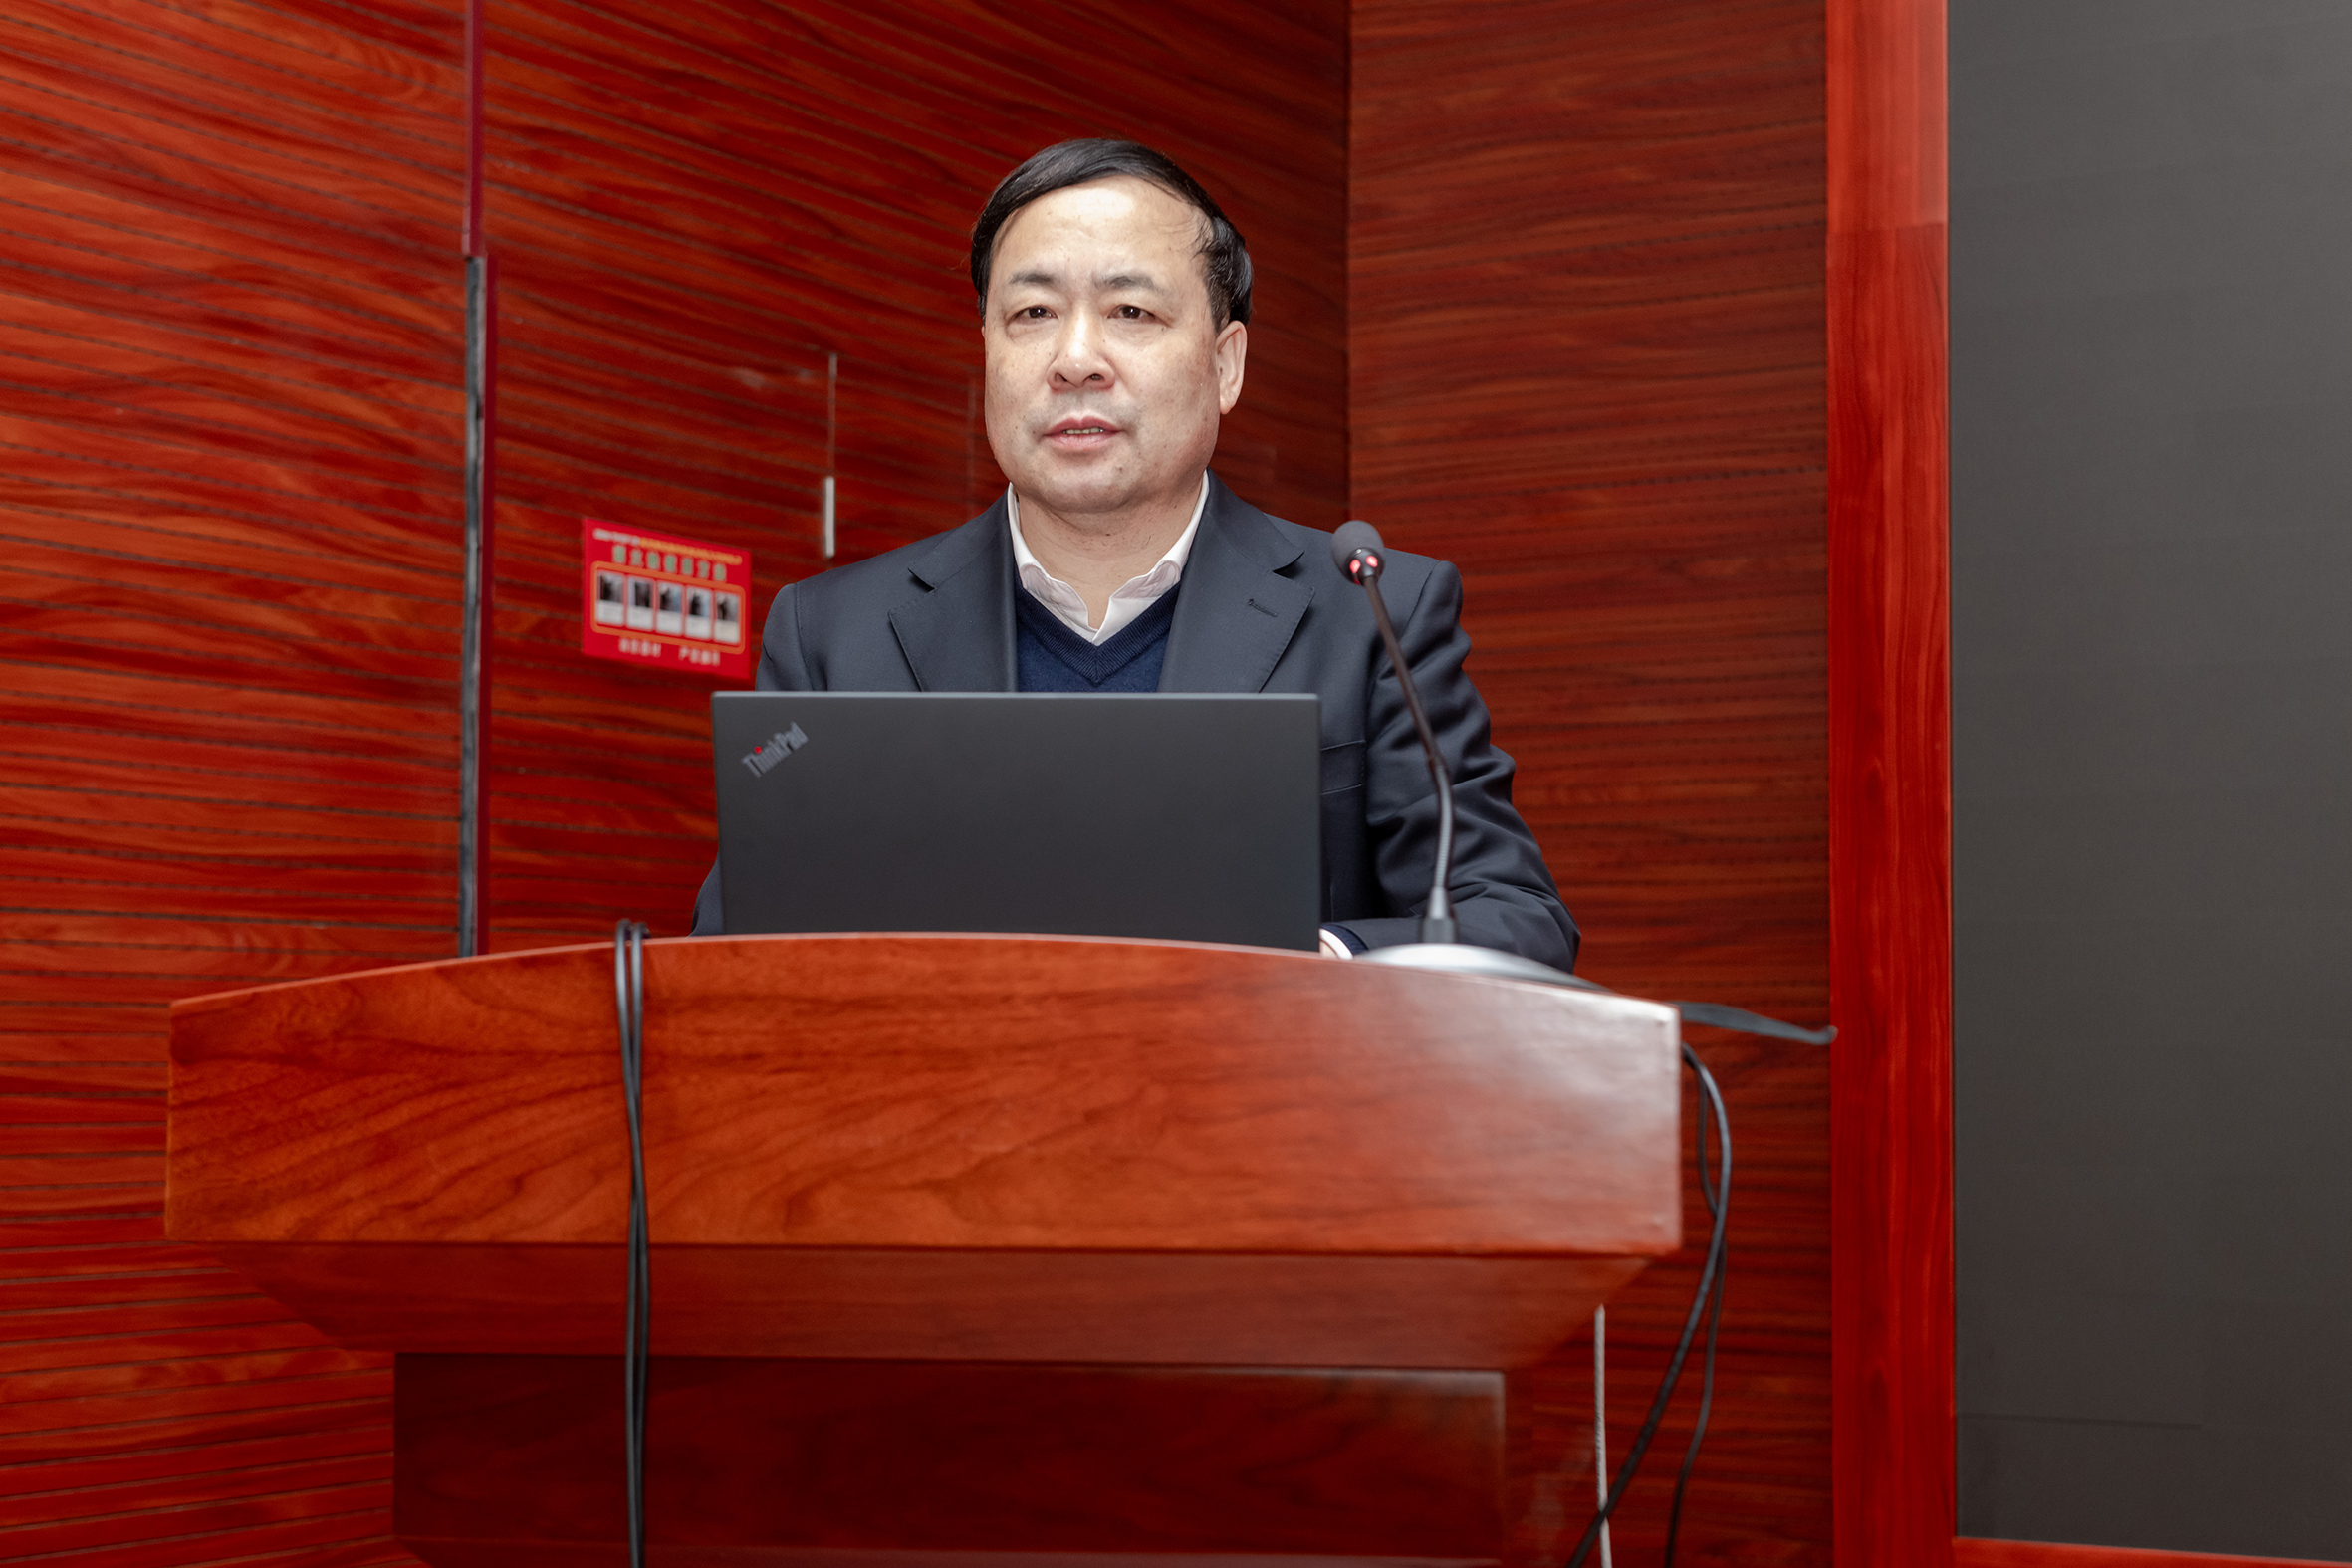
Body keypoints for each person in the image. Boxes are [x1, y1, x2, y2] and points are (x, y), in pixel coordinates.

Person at [691, 139, 1575, 967]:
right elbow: (727, 955)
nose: (1076, 359)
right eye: (1033, 313)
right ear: (989, 350)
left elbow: (1511, 919)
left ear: (1226, 365)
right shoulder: (833, 636)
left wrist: (1305, 967)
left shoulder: (1372, 615)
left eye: (1131, 311)